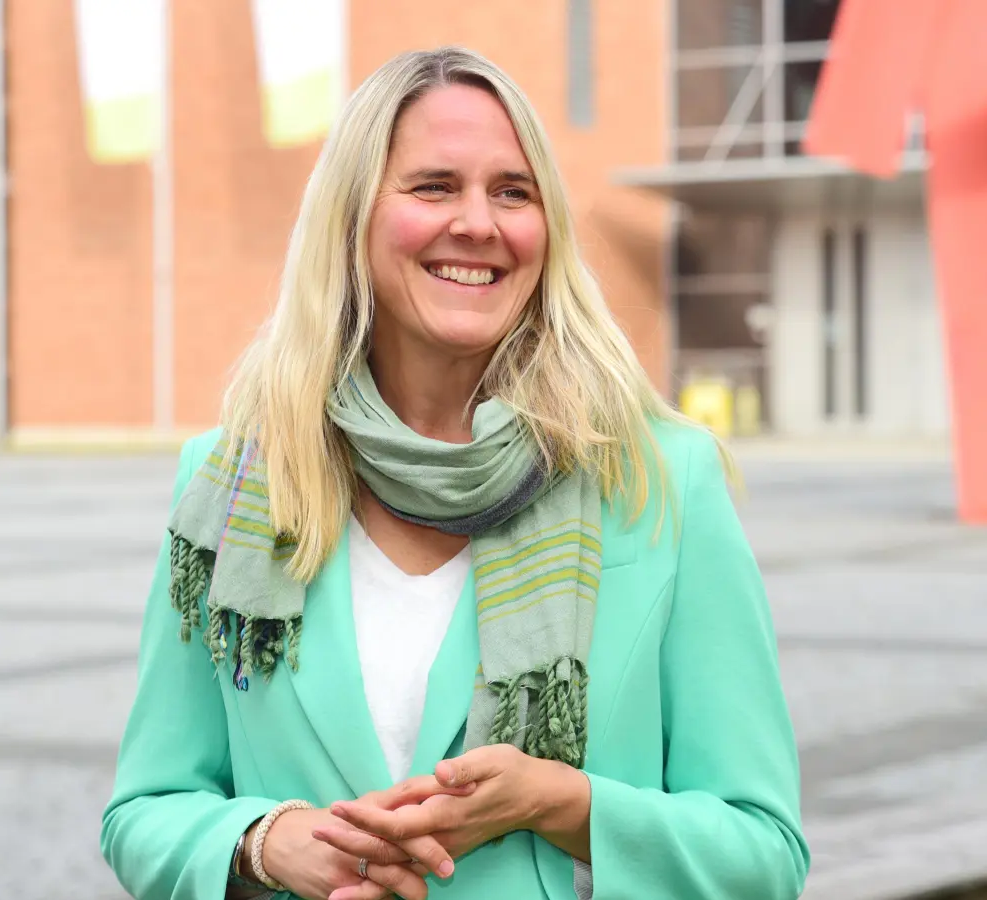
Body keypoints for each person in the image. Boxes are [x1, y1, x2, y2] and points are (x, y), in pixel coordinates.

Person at [100, 45, 808, 900]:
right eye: (434, 186)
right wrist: (263, 841)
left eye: (513, 192)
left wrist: (565, 804)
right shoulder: (234, 483)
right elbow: (145, 809)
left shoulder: (660, 480)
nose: (478, 222)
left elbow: (764, 852)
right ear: (353, 219)